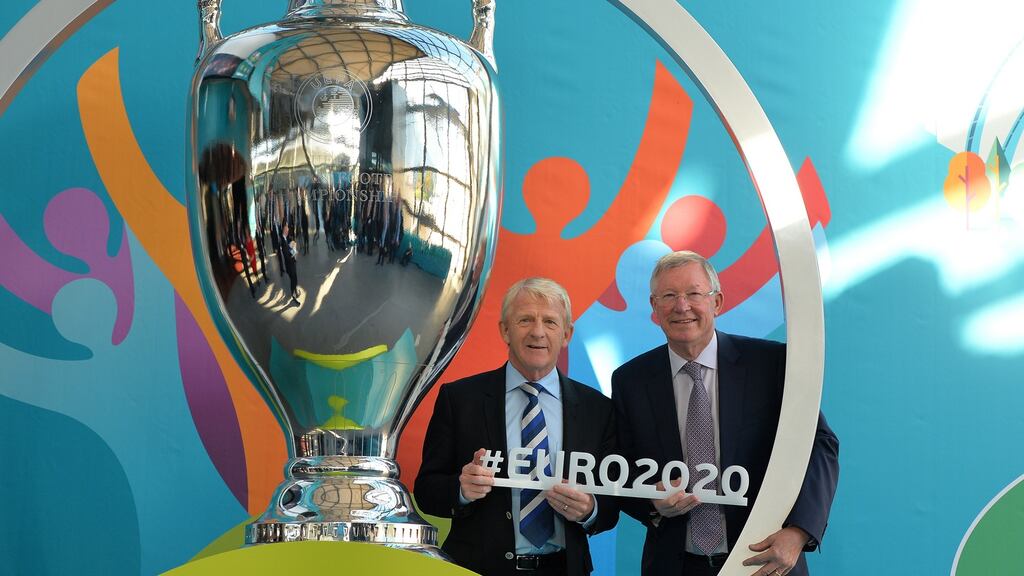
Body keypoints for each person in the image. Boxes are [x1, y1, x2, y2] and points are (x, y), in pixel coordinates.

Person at [611, 251, 838, 576]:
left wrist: (799, 532)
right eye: (669, 296)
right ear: (654, 307)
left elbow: (819, 445)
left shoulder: (771, 365)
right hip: (674, 565)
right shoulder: (630, 381)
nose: (682, 306)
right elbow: (622, 467)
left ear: (717, 302)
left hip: (763, 561)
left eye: (693, 294)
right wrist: (651, 502)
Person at [416, 278, 617, 576]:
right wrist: (461, 489)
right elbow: (426, 491)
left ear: (566, 334)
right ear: (505, 330)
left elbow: (611, 505)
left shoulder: (597, 408)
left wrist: (589, 510)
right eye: (525, 320)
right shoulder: (459, 399)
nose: (538, 331)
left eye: (550, 321)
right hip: (477, 568)